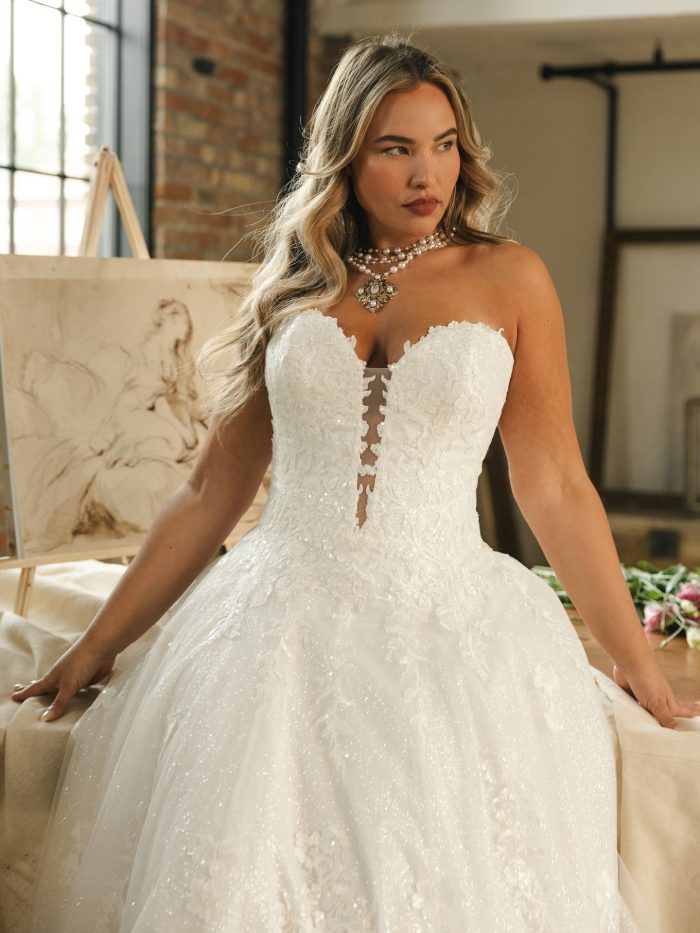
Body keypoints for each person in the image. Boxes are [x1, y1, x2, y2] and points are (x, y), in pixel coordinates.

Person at [12, 32, 697, 932]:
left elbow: (556, 485)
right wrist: (96, 646)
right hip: (272, 619)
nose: (429, 174)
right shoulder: (293, 287)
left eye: (445, 145)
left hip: (451, 616)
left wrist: (637, 665)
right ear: (345, 156)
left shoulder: (510, 278)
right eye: (396, 148)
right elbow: (211, 490)